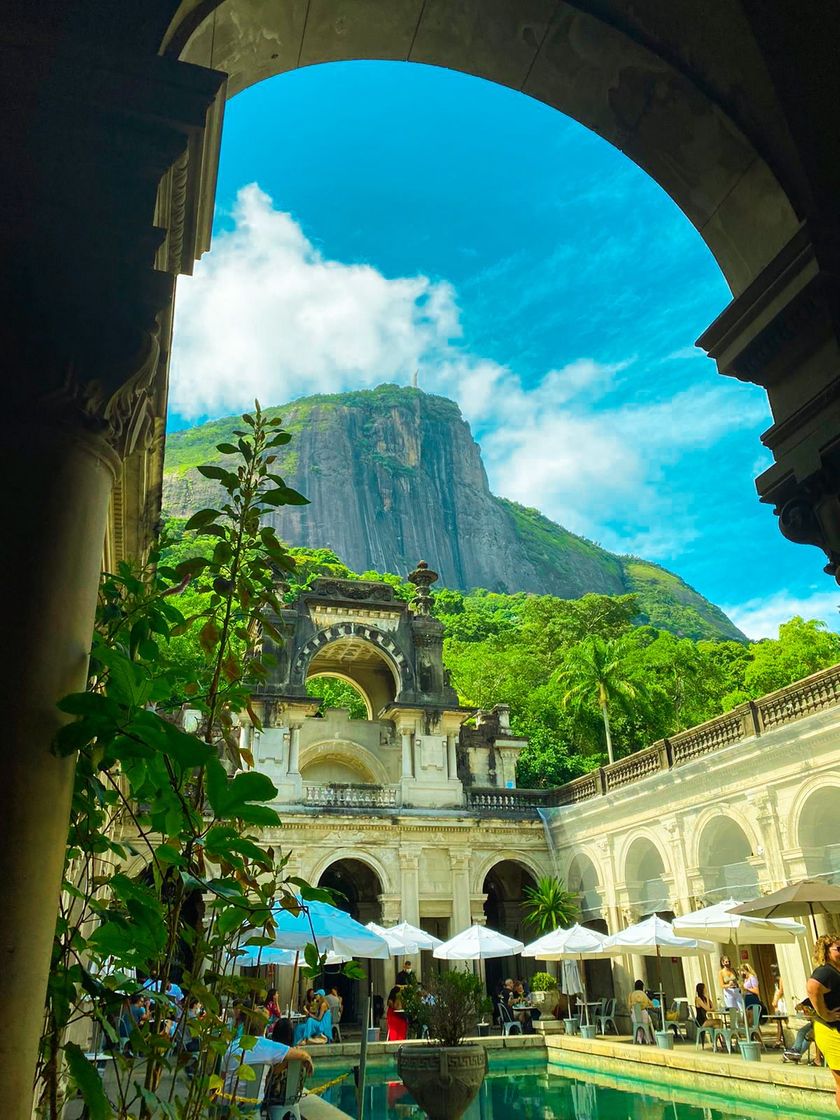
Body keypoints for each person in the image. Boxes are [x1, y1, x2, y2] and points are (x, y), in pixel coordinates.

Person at [222, 1008, 313, 1101]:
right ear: (265, 1027)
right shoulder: (268, 1046)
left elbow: (223, 1076)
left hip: (228, 1102)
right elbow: (302, 1055)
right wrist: (308, 1058)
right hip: (255, 1104)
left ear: (245, 1027)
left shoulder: (233, 1046)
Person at [806, 933, 840, 1110]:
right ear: (826, 952)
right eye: (838, 949)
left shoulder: (835, 970)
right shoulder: (825, 971)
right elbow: (812, 988)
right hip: (831, 1030)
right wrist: (825, 1014)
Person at [783, 999, 816, 1063]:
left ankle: (797, 1054)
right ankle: (795, 1050)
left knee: (808, 1035)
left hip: (821, 1024)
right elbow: (800, 1005)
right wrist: (801, 1006)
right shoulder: (810, 998)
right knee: (801, 1031)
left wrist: (811, 1014)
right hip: (813, 1023)